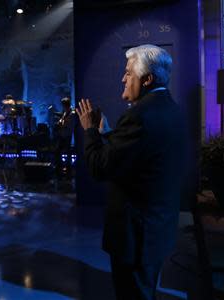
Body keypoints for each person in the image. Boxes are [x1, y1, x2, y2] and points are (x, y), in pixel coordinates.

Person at [76, 44, 186, 300]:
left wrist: (90, 131)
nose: (122, 79)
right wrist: (109, 135)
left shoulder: (139, 116)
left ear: (146, 79)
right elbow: (144, 152)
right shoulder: (170, 109)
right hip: (156, 232)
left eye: (128, 73)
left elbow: (99, 168)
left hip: (137, 238)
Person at [54, 96, 75, 175]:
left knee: (67, 152)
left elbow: (68, 124)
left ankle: (67, 168)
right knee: (59, 151)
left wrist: (61, 124)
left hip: (66, 135)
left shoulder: (71, 113)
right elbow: (62, 120)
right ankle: (60, 166)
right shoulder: (66, 111)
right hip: (63, 134)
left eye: (63, 105)